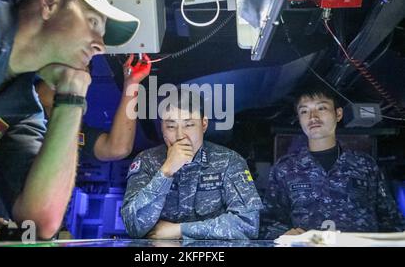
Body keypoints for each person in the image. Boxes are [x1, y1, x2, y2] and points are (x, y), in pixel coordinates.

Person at [0, 0, 139, 240]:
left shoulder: (21, 111)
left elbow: (41, 221)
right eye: (93, 23)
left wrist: (72, 98)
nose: (100, 45)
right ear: (49, 2)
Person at [261, 84, 405, 239]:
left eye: (321, 108)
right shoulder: (285, 169)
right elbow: (267, 223)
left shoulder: (364, 165)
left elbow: (391, 221)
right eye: (304, 111)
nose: (313, 117)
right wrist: (284, 233)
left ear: (338, 114)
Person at [121, 89, 263, 239]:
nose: (180, 135)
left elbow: (248, 224)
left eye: (189, 125)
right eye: (171, 126)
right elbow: (133, 225)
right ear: (162, 127)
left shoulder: (229, 161)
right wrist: (166, 172)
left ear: (204, 124)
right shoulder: (146, 162)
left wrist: (180, 230)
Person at [36, 54, 151, 162]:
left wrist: (131, 83)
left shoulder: (67, 130)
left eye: (83, 77)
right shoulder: (21, 107)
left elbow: (118, 149)